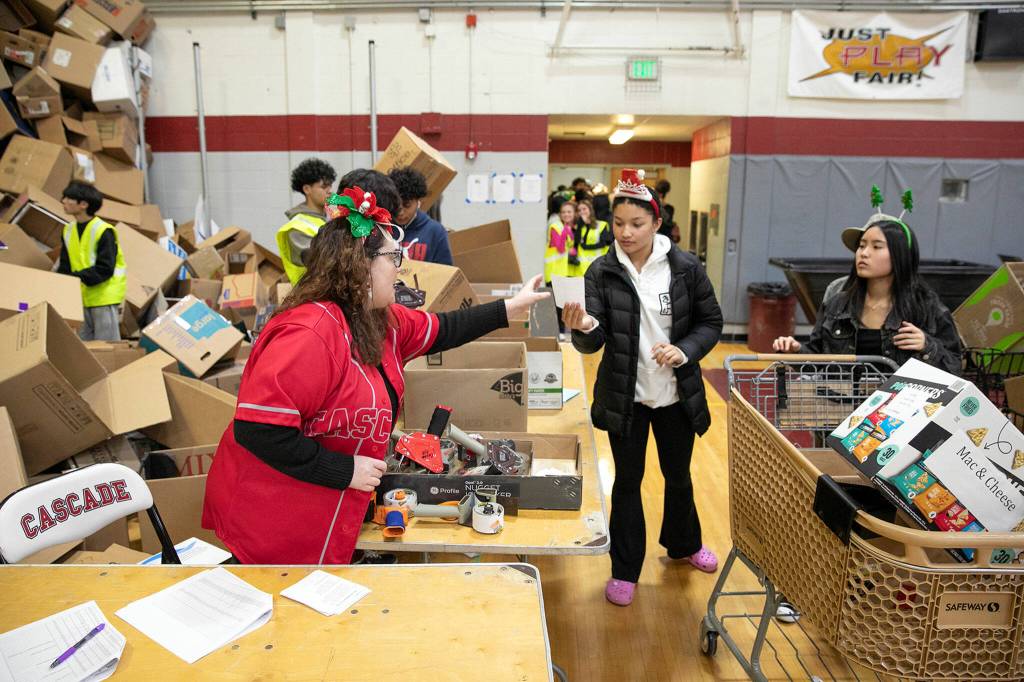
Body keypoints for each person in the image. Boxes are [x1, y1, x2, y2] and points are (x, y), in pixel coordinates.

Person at [202, 175, 549, 565]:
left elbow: (444, 329)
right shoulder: (309, 334)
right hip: (276, 514)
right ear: (359, 265)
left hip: (329, 507)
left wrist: (510, 308)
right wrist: (343, 469)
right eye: (393, 258)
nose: (400, 270)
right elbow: (259, 430)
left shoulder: (378, 320)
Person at [562, 168, 723, 607]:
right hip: (625, 397)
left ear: (656, 223)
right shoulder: (601, 270)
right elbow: (593, 337)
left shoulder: (686, 268)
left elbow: (711, 323)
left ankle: (684, 544)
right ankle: (625, 568)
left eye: (636, 224)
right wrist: (582, 326)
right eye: (618, 224)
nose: (626, 232)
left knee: (678, 476)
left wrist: (684, 350)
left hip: (676, 397)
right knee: (628, 482)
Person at [772, 190, 961, 375]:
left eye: (877, 246)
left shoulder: (926, 306)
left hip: (899, 404)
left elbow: (955, 367)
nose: (864, 253)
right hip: (842, 404)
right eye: (861, 246)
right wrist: (795, 351)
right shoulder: (837, 305)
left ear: (900, 255)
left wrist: (927, 346)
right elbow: (818, 361)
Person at [57, 181, 126, 342]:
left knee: (107, 347)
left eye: (69, 198)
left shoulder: (104, 230)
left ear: (83, 204)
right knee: (84, 348)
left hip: (103, 296)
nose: (64, 201)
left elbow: (105, 268)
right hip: (81, 297)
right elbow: (65, 265)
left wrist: (76, 277)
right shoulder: (68, 230)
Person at [277, 158, 337, 284]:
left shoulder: (330, 218)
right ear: (307, 189)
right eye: (323, 187)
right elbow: (322, 263)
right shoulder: (297, 227)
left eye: (330, 186)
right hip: (311, 294)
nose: (329, 191)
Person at [387, 167, 453, 265]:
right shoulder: (382, 228)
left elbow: (446, 273)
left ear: (418, 201)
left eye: (407, 205)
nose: (400, 212)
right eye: (395, 205)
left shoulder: (435, 232)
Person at [570, 198, 612, 276]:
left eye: (584, 209)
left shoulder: (601, 224)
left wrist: (586, 247)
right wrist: (580, 224)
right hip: (582, 267)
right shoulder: (580, 227)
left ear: (590, 210)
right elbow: (577, 242)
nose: (582, 212)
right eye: (579, 210)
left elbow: (604, 243)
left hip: (597, 265)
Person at [545, 199, 577, 286]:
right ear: (560, 214)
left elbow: (570, 248)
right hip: (554, 273)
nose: (566, 214)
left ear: (574, 213)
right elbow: (560, 248)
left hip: (564, 272)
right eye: (563, 212)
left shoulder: (567, 227)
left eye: (569, 212)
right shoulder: (556, 226)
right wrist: (565, 231)